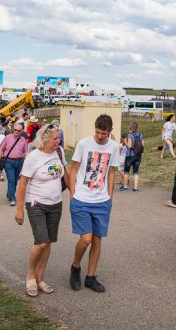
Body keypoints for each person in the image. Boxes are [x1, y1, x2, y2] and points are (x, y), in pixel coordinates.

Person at [68, 114, 120, 293]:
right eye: (97, 132)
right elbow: (73, 168)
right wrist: (72, 193)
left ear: (110, 132)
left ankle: (90, 277)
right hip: (82, 198)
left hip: (102, 200)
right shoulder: (83, 144)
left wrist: (110, 195)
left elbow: (112, 171)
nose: (99, 136)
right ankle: (75, 268)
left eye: (103, 133)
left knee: (97, 240)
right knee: (86, 239)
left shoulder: (114, 147)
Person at [15, 125, 68, 297]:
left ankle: (40, 279)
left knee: (49, 242)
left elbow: (65, 174)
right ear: (44, 139)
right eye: (55, 138)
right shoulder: (33, 157)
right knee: (41, 242)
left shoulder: (58, 152)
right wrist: (19, 210)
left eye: (58, 138)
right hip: (36, 203)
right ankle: (31, 274)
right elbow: (22, 184)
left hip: (56, 204)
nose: (58, 141)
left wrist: (74, 193)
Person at [0, 122, 29, 206]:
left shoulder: (23, 140)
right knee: (11, 179)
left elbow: (25, 152)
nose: (16, 131)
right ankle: (12, 198)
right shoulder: (7, 137)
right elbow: (1, 150)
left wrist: (29, 162)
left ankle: (9, 194)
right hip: (9, 162)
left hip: (19, 162)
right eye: (15, 130)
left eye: (18, 130)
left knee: (15, 181)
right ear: (13, 129)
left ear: (21, 132)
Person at [122, 122, 144, 191]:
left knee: (126, 171)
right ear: (137, 127)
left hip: (130, 156)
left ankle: (125, 187)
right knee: (136, 172)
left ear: (131, 127)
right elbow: (143, 146)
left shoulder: (130, 135)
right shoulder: (141, 135)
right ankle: (135, 188)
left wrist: (125, 141)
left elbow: (129, 146)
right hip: (138, 155)